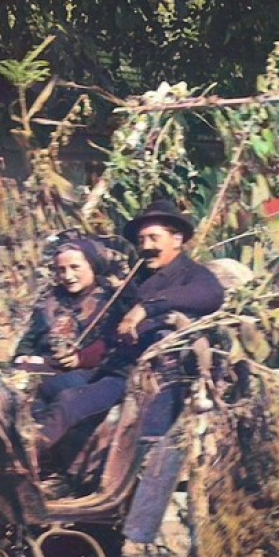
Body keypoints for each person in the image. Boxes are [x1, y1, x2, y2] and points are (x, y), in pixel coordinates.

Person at [34, 199, 225, 496]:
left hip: (141, 378)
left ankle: (27, 468)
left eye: (154, 238)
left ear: (177, 239)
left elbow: (210, 296)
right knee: (50, 386)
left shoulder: (193, 275)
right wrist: (81, 357)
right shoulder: (139, 278)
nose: (146, 246)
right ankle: (54, 467)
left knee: (69, 402)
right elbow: (112, 336)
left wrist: (146, 308)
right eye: (141, 240)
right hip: (113, 367)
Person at [13, 238, 118, 419]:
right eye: (61, 270)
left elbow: (111, 345)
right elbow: (31, 337)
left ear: (93, 266)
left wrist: (80, 358)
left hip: (88, 373)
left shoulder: (110, 301)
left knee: (50, 388)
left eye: (75, 267)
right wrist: (23, 355)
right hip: (43, 365)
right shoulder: (50, 300)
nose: (68, 276)